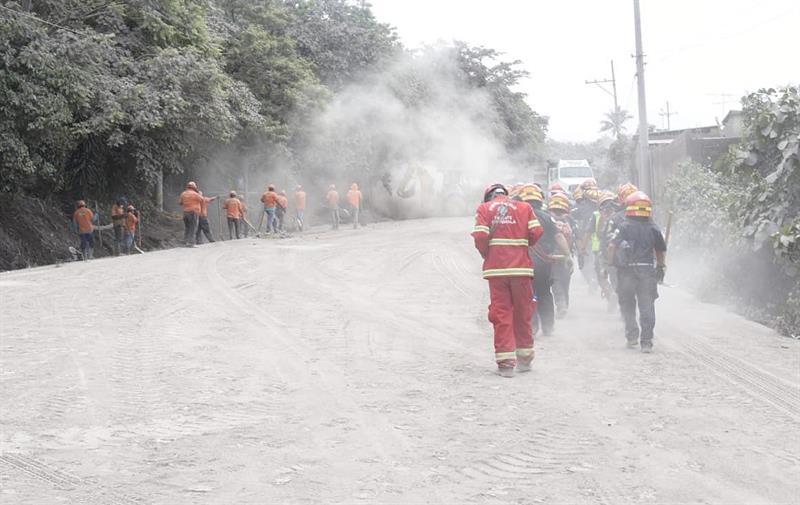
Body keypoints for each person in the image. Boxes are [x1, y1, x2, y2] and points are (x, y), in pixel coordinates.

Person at [472, 183, 544, 378]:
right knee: (523, 312)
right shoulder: (525, 208)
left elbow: (480, 236)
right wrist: (522, 246)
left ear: (489, 197)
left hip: (497, 272)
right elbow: (536, 232)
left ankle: (506, 364)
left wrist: (486, 252)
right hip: (521, 270)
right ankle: (525, 359)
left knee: (501, 314)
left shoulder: (485, 209)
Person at [609, 191, 667, 353]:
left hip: (626, 271)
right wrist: (661, 267)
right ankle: (647, 342)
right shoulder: (654, 228)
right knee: (647, 305)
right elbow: (660, 251)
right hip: (647, 271)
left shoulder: (623, 227)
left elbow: (612, 246)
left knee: (627, 304)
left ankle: (632, 336)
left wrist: (611, 263)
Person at [516, 184, 570, 336]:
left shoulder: (519, 216)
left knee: (530, 295)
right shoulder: (547, 217)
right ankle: (548, 327)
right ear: (540, 201)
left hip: (524, 264)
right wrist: (568, 256)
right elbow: (559, 236)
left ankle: (532, 327)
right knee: (545, 293)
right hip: (544, 264)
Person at [548, 193, 575, 318]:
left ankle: (561, 306)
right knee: (565, 282)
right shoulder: (570, 221)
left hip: (552, 257)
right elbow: (577, 237)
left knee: (556, 283)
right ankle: (564, 306)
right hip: (566, 257)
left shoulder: (547, 219)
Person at [179, 181, 204, 247]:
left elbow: (180, 203)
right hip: (193, 213)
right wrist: (200, 194)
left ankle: (185, 241)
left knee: (187, 228)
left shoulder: (183, 194)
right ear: (194, 187)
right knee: (193, 228)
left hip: (185, 213)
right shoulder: (195, 194)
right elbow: (202, 200)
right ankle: (191, 243)